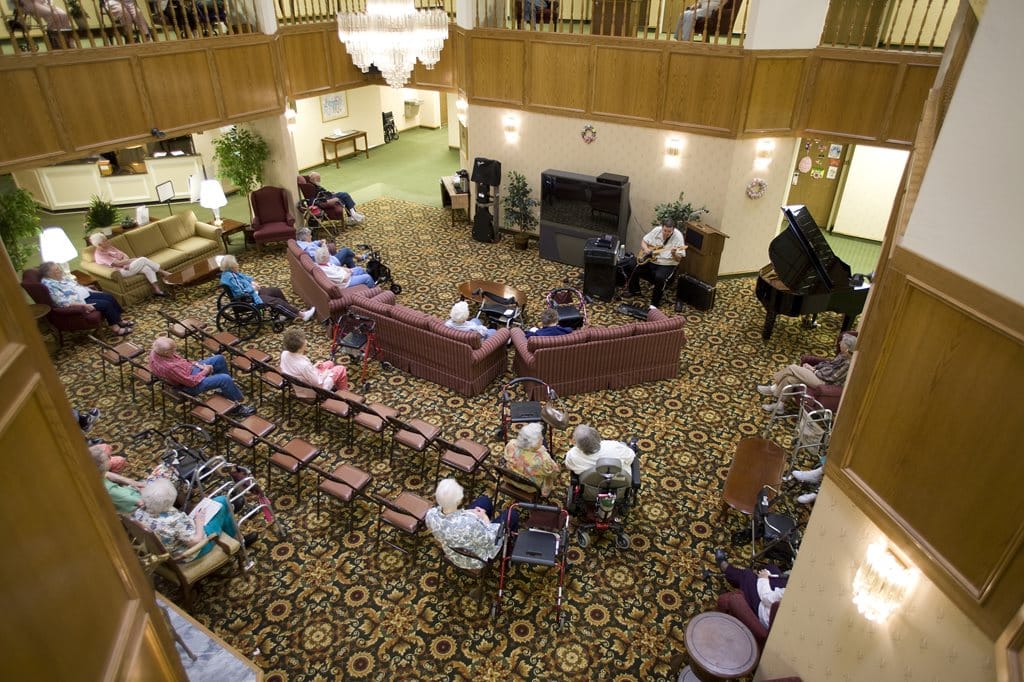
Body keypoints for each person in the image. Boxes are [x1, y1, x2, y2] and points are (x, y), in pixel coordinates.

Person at [131, 479, 253, 559]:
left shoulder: (138, 513)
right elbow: (196, 541)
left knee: (222, 509)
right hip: (191, 553)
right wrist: (199, 523)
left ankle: (238, 538)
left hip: (161, 551)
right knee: (221, 503)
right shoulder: (174, 520)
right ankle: (239, 540)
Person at [148, 337, 256, 417]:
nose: (175, 351)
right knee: (225, 378)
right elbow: (191, 382)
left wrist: (196, 364)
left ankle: (225, 390)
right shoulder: (169, 367)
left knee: (219, 358)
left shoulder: (156, 351)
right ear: (166, 352)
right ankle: (237, 407)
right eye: (173, 350)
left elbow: (181, 361)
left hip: (188, 371)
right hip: (187, 387)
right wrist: (205, 370)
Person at [425, 478, 517, 571]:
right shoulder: (470, 524)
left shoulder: (430, 514)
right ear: (458, 501)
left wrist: (469, 513)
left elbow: (452, 518)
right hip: (475, 560)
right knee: (512, 514)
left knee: (484, 501)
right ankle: (507, 556)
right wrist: (484, 517)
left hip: (452, 552)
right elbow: (492, 540)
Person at [758, 333, 858, 413]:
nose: (839, 343)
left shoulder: (848, 363)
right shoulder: (843, 355)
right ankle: (780, 406)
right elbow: (829, 364)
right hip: (820, 375)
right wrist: (814, 367)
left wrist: (813, 370)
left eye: (842, 342)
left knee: (792, 368)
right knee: (790, 379)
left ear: (847, 348)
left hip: (824, 383)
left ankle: (774, 387)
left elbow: (832, 378)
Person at [39, 261, 133, 337]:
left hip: (85, 294)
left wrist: (92, 291)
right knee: (105, 304)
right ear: (49, 274)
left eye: (58, 268)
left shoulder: (60, 277)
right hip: (79, 302)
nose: (59, 270)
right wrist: (83, 305)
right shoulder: (49, 285)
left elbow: (76, 286)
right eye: (56, 270)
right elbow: (62, 302)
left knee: (109, 296)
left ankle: (119, 321)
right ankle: (115, 328)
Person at [218, 254, 315, 322]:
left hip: (251, 294)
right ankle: (302, 315)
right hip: (247, 299)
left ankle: (285, 313)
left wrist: (252, 282)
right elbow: (240, 292)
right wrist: (253, 288)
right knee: (276, 301)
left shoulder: (230, 273)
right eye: (236, 263)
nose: (238, 264)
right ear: (231, 266)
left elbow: (244, 277)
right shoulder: (231, 277)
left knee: (275, 291)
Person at [712, 549, 788, 630]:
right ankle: (742, 581)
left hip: (764, 611)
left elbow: (766, 598)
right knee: (772, 568)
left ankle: (727, 569)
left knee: (747, 575)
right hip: (779, 606)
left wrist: (763, 579)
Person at [625, 218, 686, 308]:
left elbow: (678, 260)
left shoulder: (678, 237)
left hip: (667, 263)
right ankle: (635, 291)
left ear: (673, 230)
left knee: (660, 277)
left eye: (669, 231)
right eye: (665, 230)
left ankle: (654, 304)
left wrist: (673, 253)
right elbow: (644, 241)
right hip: (651, 259)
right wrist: (646, 249)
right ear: (662, 227)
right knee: (631, 264)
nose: (666, 233)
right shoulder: (656, 230)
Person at [88, 233, 169, 296]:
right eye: (105, 241)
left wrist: (126, 262)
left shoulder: (109, 247)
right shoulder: (100, 255)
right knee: (143, 259)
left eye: (106, 239)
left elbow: (124, 255)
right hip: (121, 272)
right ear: (99, 245)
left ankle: (157, 290)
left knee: (147, 268)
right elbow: (117, 263)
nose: (108, 241)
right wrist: (131, 261)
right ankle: (164, 272)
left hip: (127, 266)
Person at [279, 328, 348, 391]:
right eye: (304, 340)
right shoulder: (304, 365)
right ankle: (343, 393)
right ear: (300, 347)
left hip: (300, 381)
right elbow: (318, 383)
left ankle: (336, 383)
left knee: (330, 363)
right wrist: (326, 373)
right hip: (315, 390)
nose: (306, 341)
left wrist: (314, 367)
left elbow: (299, 371)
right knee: (341, 369)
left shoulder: (284, 354)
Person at [503, 422, 561, 496]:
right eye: (540, 438)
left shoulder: (511, 444)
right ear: (533, 444)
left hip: (510, 479)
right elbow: (554, 472)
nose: (543, 438)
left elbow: (506, 457)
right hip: (530, 487)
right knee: (549, 476)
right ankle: (544, 492)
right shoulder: (543, 459)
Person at [563, 424, 636, 475]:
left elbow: (569, 466)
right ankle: (633, 445)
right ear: (597, 436)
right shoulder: (614, 446)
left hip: (590, 485)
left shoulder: (573, 455)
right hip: (619, 482)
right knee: (624, 445)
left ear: (578, 444)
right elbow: (631, 458)